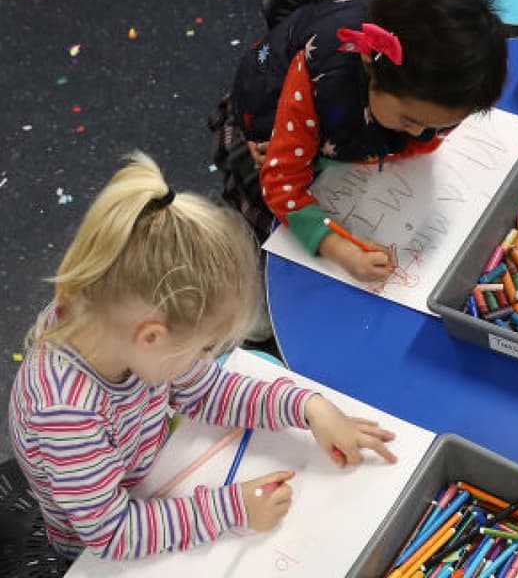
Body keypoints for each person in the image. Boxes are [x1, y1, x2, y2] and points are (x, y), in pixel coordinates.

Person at [7, 152, 398, 561]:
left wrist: (306, 407)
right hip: (100, 545)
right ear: (151, 337)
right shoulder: (64, 414)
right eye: (204, 347)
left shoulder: (115, 321)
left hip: (148, 464)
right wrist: (232, 509)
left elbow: (207, 390)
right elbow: (111, 534)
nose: (207, 358)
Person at [210, 0, 509, 283]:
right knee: (253, 243)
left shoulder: (432, 92)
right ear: (369, 66)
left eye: (440, 126)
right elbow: (282, 185)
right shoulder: (322, 81)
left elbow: (419, 132)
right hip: (272, 131)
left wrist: (404, 138)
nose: (420, 134)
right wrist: (341, 250)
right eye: (410, 121)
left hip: (339, 134)